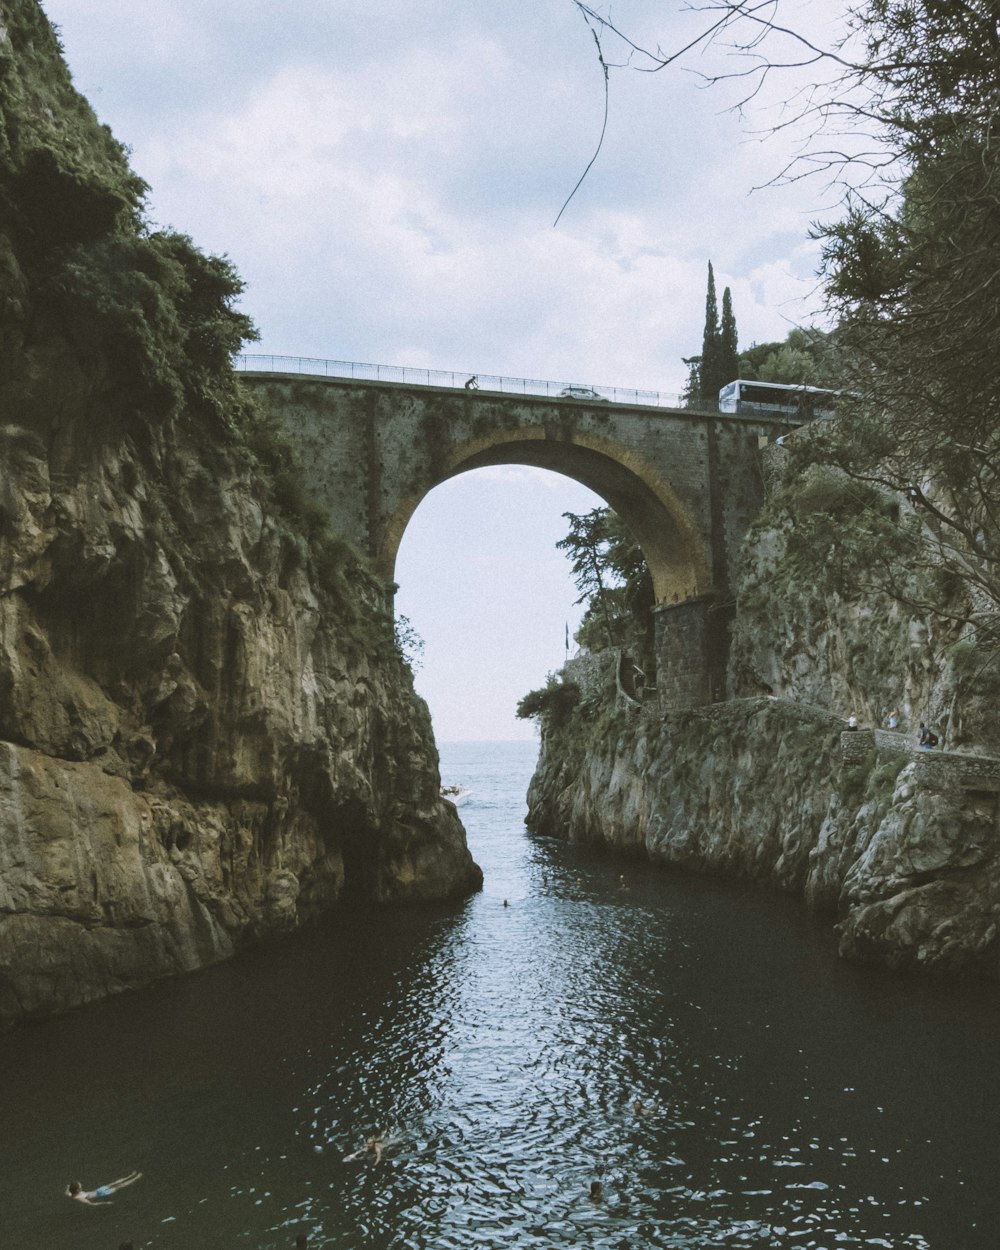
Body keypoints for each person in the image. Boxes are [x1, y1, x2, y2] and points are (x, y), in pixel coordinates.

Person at [66, 1171, 142, 1205]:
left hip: (98, 1190)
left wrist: (68, 1187)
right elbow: (92, 1204)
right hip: (102, 1193)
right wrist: (105, 1203)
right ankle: (135, 1178)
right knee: (119, 1185)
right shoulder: (80, 1198)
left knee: (115, 1183)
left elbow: (67, 1192)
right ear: (77, 1190)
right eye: (80, 1186)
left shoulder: (70, 1194)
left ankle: (130, 1176)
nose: (81, 1186)